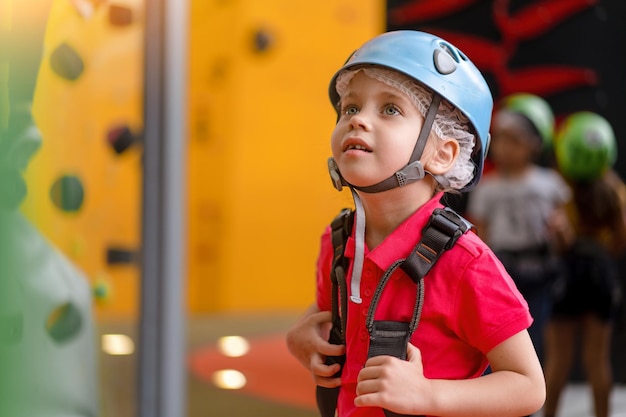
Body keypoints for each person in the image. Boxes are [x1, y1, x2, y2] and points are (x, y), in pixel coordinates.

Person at [286, 30, 545, 417]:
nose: (358, 121)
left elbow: (528, 386)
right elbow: (339, 310)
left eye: (389, 109)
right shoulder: (340, 243)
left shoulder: (465, 264)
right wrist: (301, 337)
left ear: (443, 153)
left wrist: (428, 395)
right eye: (350, 108)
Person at [465, 93, 571, 363]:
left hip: (540, 272)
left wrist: (561, 233)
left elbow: (565, 237)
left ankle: (527, 392)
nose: (505, 147)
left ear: (534, 143)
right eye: (500, 138)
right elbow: (481, 236)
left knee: (535, 338)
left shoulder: (550, 184)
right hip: (502, 269)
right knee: (498, 334)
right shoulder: (486, 188)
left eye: (515, 139)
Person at [543, 111, 626, 417]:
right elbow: (620, 241)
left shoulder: (558, 191)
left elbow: (558, 241)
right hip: (602, 279)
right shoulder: (615, 190)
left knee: (558, 361)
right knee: (597, 361)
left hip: (567, 278)